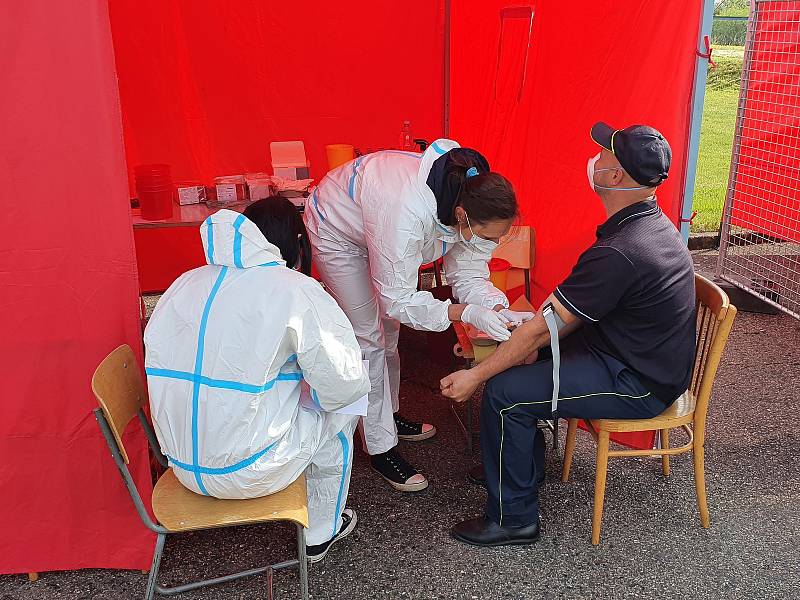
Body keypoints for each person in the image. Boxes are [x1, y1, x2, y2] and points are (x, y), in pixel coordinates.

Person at [441, 123, 696, 546]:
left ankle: (513, 519)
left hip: (638, 383)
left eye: (605, 153)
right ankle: (518, 466)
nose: (595, 155)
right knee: (519, 360)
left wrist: (475, 376)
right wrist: (523, 339)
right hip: (630, 355)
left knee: (504, 394)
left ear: (615, 177)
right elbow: (565, 317)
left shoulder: (621, 249)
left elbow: (547, 327)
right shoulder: (641, 225)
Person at [144, 198, 371, 562]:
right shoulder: (294, 289)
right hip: (251, 472)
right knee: (344, 410)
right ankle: (320, 532)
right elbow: (344, 385)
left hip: (182, 464)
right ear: (297, 240)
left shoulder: (183, 284)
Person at [304, 139, 533, 492]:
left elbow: (469, 273)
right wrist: (464, 312)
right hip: (338, 231)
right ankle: (380, 448)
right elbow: (396, 300)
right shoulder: (404, 210)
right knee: (369, 338)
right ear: (461, 217)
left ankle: (387, 416)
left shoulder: (471, 199)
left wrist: (496, 307)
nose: (489, 241)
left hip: (379, 224)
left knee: (389, 335)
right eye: (487, 235)